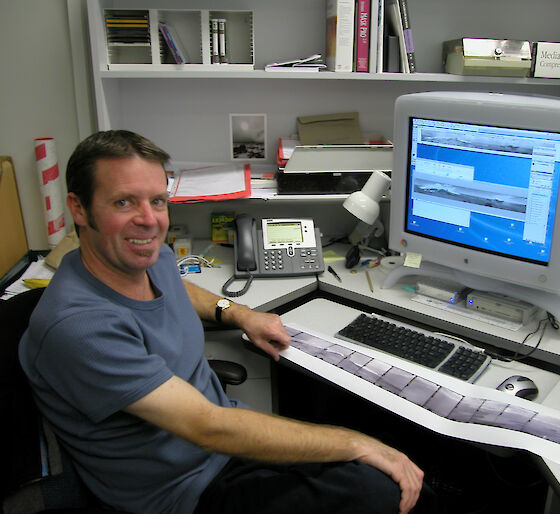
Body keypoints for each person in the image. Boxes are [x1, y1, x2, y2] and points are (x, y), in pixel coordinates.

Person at [19, 130, 437, 514]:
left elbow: (175, 285)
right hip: (186, 492)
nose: (149, 220)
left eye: (157, 201)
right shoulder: (79, 327)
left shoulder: (145, 256)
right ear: (79, 207)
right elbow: (208, 427)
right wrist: (354, 444)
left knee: (380, 449)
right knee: (376, 486)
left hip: (223, 450)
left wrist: (237, 312)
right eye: (123, 202)